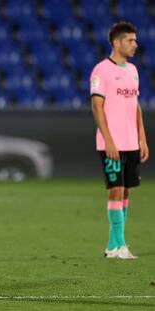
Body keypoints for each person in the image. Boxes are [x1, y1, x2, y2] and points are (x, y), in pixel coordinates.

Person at [90, 21, 149, 259]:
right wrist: (109, 141)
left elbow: (136, 108)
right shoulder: (101, 70)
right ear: (117, 42)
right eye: (130, 40)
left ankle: (112, 247)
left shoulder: (133, 71)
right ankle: (121, 245)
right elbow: (97, 107)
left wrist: (142, 139)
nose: (135, 44)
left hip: (131, 142)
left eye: (134, 40)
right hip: (111, 143)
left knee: (126, 193)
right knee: (116, 190)